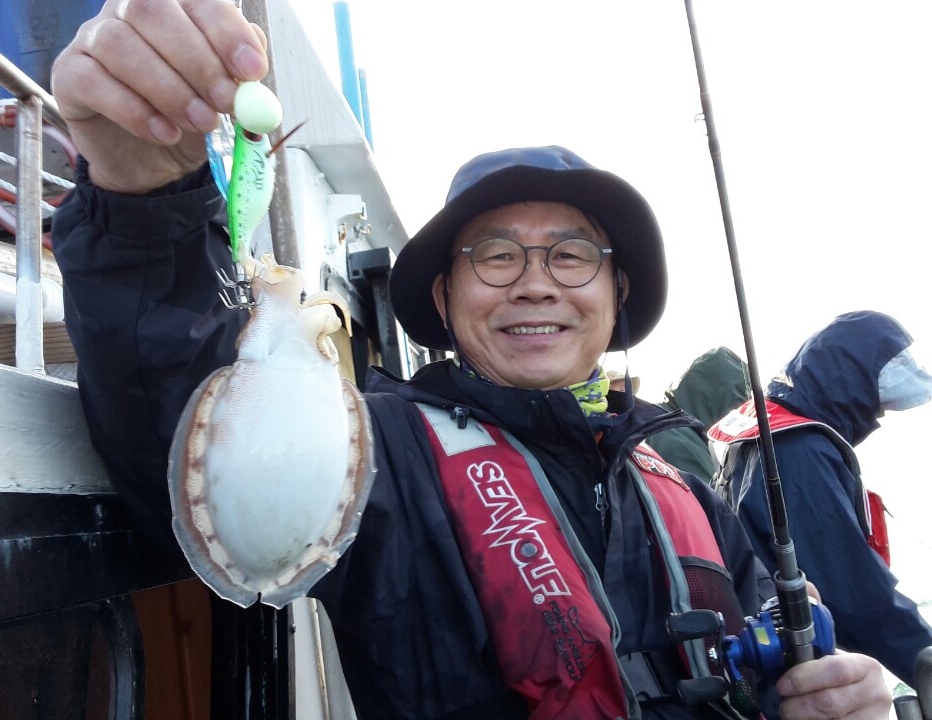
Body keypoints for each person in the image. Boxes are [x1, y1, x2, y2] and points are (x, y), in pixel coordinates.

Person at [49, 2, 891, 718]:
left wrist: (824, 695)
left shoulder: (692, 495)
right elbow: (186, 428)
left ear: (616, 295)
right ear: (446, 300)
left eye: (572, 255)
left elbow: (774, 662)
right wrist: (144, 199)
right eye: (495, 254)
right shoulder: (382, 453)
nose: (535, 283)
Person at [709, 310, 932, 689]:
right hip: (780, 680)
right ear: (852, 386)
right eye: (875, 402)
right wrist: (923, 656)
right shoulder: (800, 451)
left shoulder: (758, 430)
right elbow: (857, 597)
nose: (877, 414)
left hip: (748, 650)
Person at [646, 347, 751, 481]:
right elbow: (711, 493)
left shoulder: (674, 425)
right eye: (737, 404)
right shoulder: (677, 440)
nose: (738, 415)